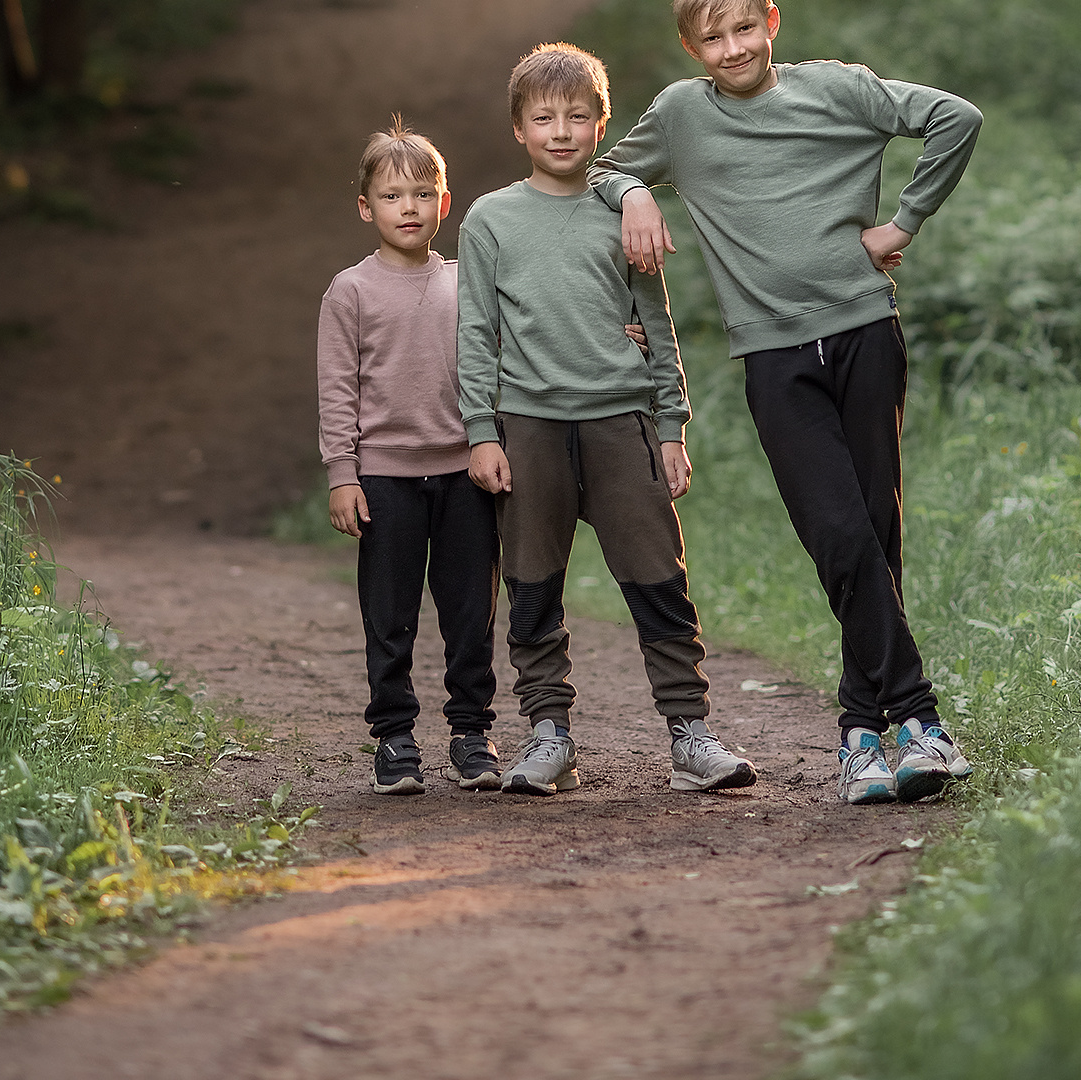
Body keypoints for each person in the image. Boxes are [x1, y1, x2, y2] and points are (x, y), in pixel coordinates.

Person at [588, 0, 981, 807]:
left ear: (772, 22)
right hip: (772, 355)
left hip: (865, 334)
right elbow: (597, 171)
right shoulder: (680, 117)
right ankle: (918, 717)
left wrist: (903, 224)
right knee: (836, 532)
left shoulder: (839, 89)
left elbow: (956, 117)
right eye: (712, 37)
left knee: (874, 531)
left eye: (744, 28)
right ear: (691, 47)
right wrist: (635, 194)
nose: (732, 48)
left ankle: (863, 736)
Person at [459, 41, 756, 798]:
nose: (561, 132)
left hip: (622, 424)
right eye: (543, 118)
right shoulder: (490, 219)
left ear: (602, 123)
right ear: (518, 128)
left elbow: (655, 323)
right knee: (532, 587)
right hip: (528, 427)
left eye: (577, 117)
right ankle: (548, 735)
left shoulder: (624, 211)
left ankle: (690, 734)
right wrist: (482, 432)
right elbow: (475, 334)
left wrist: (672, 426)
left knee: (659, 580)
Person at [318, 122, 502, 795]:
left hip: (465, 473)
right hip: (384, 479)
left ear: (444, 204)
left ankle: (472, 733)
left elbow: (512, 350)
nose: (409, 208)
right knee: (390, 614)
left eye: (423, 194)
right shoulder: (350, 291)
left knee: (471, 614)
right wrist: (342, 474)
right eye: (392, 196)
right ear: (365, 207)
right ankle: (394, 739)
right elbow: (337, 388)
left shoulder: (468, 283)